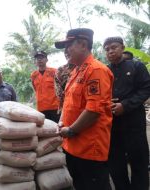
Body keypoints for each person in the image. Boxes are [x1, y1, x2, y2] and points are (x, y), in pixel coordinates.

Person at [55, 28, 114, 190]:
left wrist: (71, 130)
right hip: (72, 145)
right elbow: (68, 102)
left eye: (69, 45)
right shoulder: (76, 71)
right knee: (80, 184)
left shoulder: (96, 70)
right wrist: (61, 122)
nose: (66, 50)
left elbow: (94, 110)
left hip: (89, 147)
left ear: (83, 44)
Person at [103, 36, 150, 190]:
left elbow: (145, 89)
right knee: (115, 163)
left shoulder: (136, 66)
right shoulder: (104, 71)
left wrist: (125, 105)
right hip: (112, 125)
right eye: (107, 49)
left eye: (114, 47)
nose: (110, 51)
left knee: (138, 160)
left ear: (123, 48)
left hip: (134, 122)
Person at [31, 51, 60, 123]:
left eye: (41, 57)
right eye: (37, 58)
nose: (39, 60)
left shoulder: (54, 72)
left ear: (46, 60)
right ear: (35, 61)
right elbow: (35, 89)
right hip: (41, 108)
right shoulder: (33, 75)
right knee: (45, 131)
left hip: (54, 107)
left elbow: (60, 88)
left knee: (57, 129)